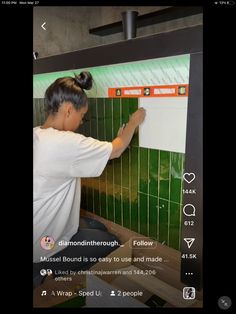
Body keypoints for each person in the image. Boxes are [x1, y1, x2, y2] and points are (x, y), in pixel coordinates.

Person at [33, 71, 146, 285]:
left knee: (97, 228)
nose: (81, 122)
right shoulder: (63, 142)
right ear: (68, 110)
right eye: (81, 116)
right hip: (41, 248)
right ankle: (45, 273)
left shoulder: (37, 134)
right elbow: (116, 150)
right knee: (111, 242)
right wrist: (134, 121)